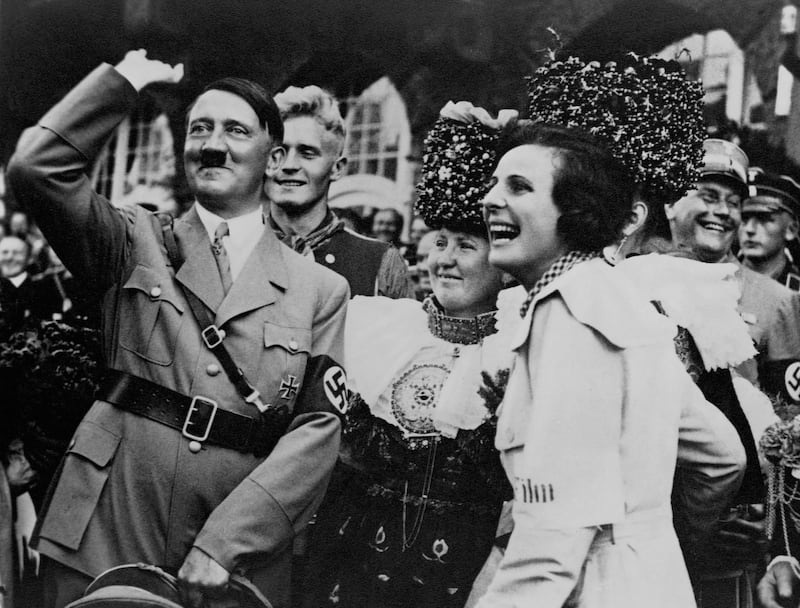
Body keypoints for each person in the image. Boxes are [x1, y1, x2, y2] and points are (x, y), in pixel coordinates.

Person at [7, 49, 350, 608]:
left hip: (232, 550)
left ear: (274, 156)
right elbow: (36, 168)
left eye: (236, 130)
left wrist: (225, 544)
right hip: (108, 521)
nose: (213, 144)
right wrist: (123, 83)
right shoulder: (130, 240)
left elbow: (316, 431)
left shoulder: (318, 289)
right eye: (200, 129)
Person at [474, 90, 744, 606]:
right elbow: (722, 455)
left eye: (519, 187)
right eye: (493, 183)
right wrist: (651, 538)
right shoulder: (621, 298)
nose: (490, 199)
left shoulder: (569, 312)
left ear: (573, 212)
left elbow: (553, 537)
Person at [300, 101, 517, 608]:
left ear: (503, 258)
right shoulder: (379, 327)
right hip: (353, 557)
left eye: (466, 244)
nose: (445, 258)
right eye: (438, 241)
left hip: (465, 569)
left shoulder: (519, 347)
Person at [664, 139, 800, 406]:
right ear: (671, 204)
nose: (723, 211)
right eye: (709, 197)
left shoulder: (777, 301)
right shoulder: (637, 279)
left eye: (734, 203)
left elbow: (787, 420)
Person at [265, 85, 413, 298]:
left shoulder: (378, 263)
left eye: (307, 153)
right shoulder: (229, 251)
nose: (288, 165)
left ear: (337, 168)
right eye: (278, 152)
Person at [739, 168, 800, 291]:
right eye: (744, 218)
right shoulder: (715, 279)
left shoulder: (796, 293)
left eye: (763, 219)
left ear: (791, 230)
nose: (750, 229)